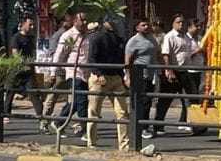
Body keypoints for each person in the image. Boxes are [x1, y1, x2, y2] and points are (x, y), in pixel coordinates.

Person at [85, 17, 130, 150]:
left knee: (122, 112)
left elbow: (121, 59)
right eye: (112, 21)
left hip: (115, 77)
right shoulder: (97, 37)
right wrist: (99, 74)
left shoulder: (119, 39)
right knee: (94, 112)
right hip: (99, 78)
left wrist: (122, 77)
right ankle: (91, 142)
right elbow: (91, 58)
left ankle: (124, 144)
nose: (115, 24)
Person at [46, 11, 89, 136]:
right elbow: (60, 54)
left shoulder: (86, 34)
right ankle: (84, 129)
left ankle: (59, 121)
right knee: (81, 101)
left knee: (77, 101)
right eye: (82, 20)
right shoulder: (70, 36)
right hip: (74, 72)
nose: (85, 23)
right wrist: (53, 72)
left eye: (86, 20)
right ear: (75, 21)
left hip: (85, 72)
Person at [156, 14, 197, 135]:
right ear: (173, 23)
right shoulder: (170, 36)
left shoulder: (186, 37)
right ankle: (158, 125)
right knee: (165, 100)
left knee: (191, 97)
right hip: (173, 71)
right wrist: (169, 70)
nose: (181, 24)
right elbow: (166, 54)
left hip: (185, 71)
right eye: (178, 22)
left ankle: (192, 123)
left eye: (183, 22)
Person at [125, 18, 161, 141]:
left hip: (151, 76)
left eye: (147, 25)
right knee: (142, 102)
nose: (146, 27)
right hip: (139, 75)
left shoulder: (152, 39)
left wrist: (165, 69)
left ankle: (143, 125)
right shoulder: (133, 41)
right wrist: (128, 76)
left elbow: (158, 54)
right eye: (143, 25)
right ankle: (141, 128)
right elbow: (127, 60)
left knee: (148, 102)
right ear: (137, 28)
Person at [6, 16, 42, 121]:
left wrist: (33, 66)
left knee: (33, 93)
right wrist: (22, 64)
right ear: (23, 25)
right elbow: (15, 52)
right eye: (30, 24)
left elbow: (32, 53)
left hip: (28, 71)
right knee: (10, 92)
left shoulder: (31, 38)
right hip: (16, 69)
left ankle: (41, 116)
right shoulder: (16, 37)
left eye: (33, 24)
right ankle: (6, 114)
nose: (32, 27)